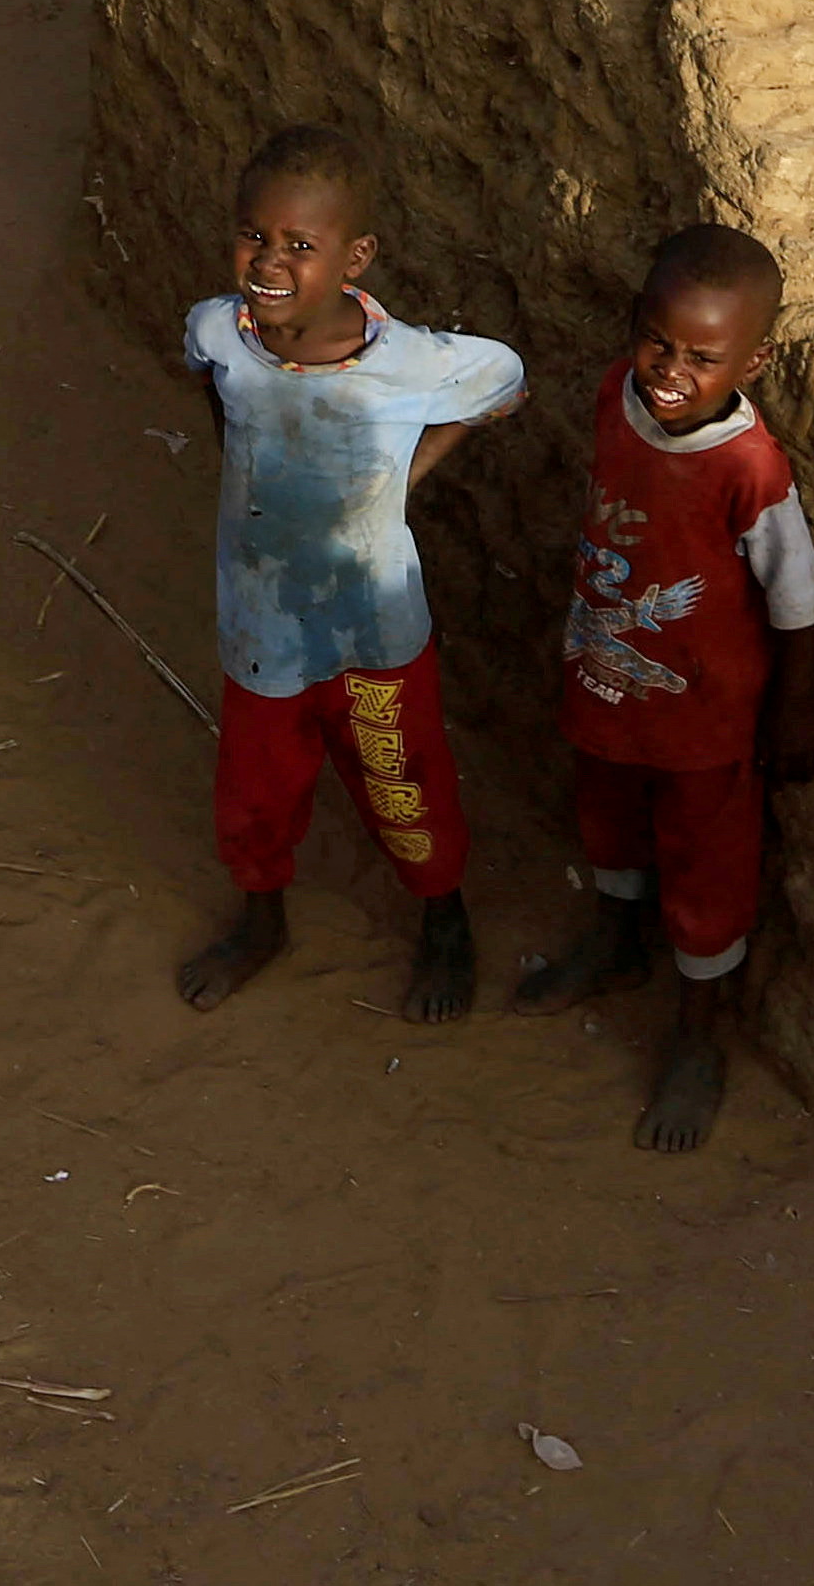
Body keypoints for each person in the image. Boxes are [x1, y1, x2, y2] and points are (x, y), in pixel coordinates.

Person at [173, 123, 524, 1023]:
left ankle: (442, 917)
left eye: (301, 245)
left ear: (355, 257)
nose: (269, 260)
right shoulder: (220, 330)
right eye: (253, 234)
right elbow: (217, 386)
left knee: (401, 778)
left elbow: (504, 383)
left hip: (375, 629)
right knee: (255, 789)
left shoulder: (410, 362)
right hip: (261, 630)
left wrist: (397, 480)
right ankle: (262, 918)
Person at [511, 226, 814, 1154]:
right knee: (607, 815)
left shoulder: (749, 468)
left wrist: (794, 708)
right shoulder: (617, 394)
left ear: (753, 360)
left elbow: (798, 600)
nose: (670, 369)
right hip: (608, 680)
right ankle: (615, 940)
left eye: (703, 357)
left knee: (705, 870)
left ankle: (699, 1039)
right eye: (658, 341)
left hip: (703, 719)